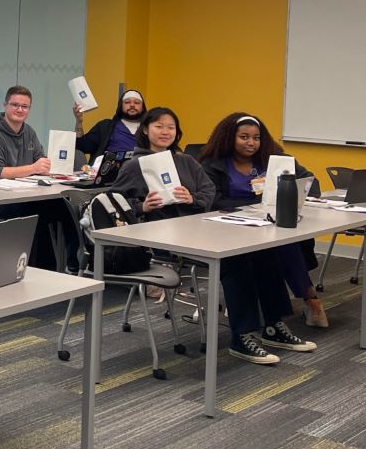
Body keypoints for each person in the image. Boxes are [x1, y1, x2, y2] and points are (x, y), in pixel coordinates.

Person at [111, 107, 315, 366]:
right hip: (163, 241)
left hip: (198, 229)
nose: (165, 132)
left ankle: (273, 326)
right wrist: (143, 207)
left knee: (264, 252)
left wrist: (192, 198)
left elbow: (208, 195)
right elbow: (113, 202)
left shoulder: (185, 161)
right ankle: (242, 336)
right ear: (145, 130)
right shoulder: (133, 165)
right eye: (159, 126)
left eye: (170, 127)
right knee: (235, 261)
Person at [198, 113, 327, 328]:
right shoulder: (213, 163)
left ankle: (307, 298)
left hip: (267, 222)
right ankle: (304, 299)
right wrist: (253, 204)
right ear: (230, 137)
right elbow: (212, 200)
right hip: (229, 225)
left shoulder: (274, 158)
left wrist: (291, 192)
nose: (251, 143)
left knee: (287, 241)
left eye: (256, 138)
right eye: (244, 137)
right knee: (280, 243)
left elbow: (310, 182)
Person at [0, 85, 79, 271]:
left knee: (65, 206)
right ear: (5, 105)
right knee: (40, 213)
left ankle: (74, 262)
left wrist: (45, 168)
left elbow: (40, 158)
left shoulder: (28, 131)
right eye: (15, 105)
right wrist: (33, 168)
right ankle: (44, 269)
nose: (20, 110)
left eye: (25, 106)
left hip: (25, 194)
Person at [74, 89, 145, 163]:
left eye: (137, 102)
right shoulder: (105, 126)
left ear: (143, 107)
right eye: (127, 102)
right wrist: (79, 121)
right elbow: (82, 146)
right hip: (109, 172)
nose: (132, 105)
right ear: (121, 106)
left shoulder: (150, 128)